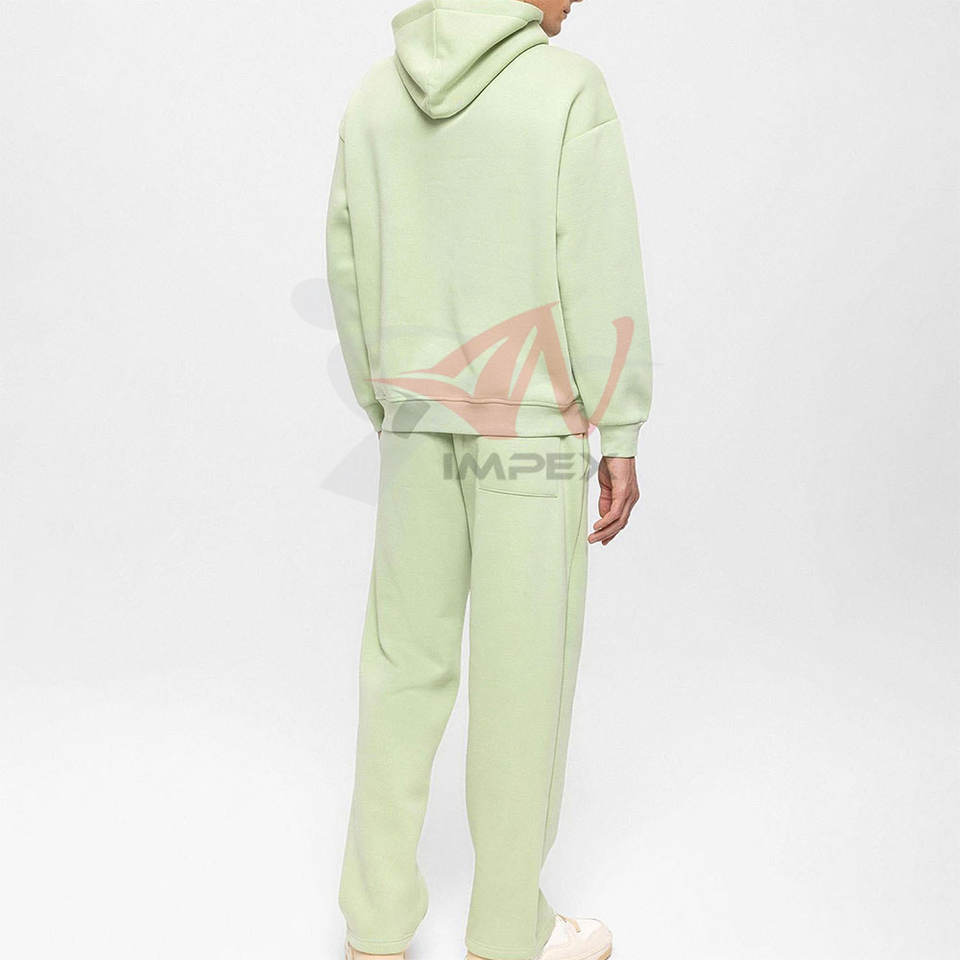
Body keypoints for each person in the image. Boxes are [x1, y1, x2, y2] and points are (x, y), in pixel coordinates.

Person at [326, 1, 652, 959]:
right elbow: (598, 264)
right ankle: (510, 933)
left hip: (414, 413)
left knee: (400, 669)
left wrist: (385, 398)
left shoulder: (375, 95)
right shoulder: (567, 89)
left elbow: (347, 260)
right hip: (533, 424)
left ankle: (375, 929)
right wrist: (621, 421)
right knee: (523, 676)